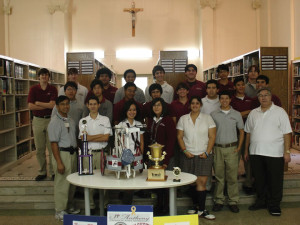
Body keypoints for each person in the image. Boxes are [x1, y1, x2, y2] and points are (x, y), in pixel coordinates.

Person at [244, 87, 292, 216]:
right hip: (256, 152)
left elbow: (287, 133)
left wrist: (287, 151)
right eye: (260, 95)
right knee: (259, 179)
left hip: (274, 153)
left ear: (271, 97)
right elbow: (248, 133)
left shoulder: (280, 112)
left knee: (275, 180)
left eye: (266, 95)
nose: (263, 97)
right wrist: (246, 150)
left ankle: (274, 204)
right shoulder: (253, 113)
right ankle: (261, 201)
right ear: (258, 98)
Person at [177, 96, 216, 220]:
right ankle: (195, 206)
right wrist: (185, 150)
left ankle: (202, 209)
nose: (195, 105)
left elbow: (212, 136)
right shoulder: (183, 119)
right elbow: (179, 137)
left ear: (200, 105)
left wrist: (207, 152)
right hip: (188, 154)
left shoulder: (207, 118)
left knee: (202, 182)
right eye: (192, 103)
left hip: (203, 154)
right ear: (189, 105)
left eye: (197, 103)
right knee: (192, 182)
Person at [211, 91, 244, 213]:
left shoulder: (236, 114)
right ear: (219, 100)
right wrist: (211, 147)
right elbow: (210, 133)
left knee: (232, 177)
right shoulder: (213, 114)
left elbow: (241, 131)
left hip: (232, 149)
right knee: (219, 176)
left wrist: (239, 147)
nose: (224, 100)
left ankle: (233, 201)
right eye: (222, 98)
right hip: (217, 148)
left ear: (230, 100)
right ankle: (218, 200)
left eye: (227, 98)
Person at [48, 96, 80, 221]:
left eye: (67, 104)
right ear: (57, 106)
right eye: (62, 104)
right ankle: (59, 210)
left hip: (72, 154)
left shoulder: (70, 120)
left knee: (71, 183)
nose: (65, 106)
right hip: (62, 155)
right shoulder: (54, 121)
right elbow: (53, 143)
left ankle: (69, 207)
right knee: (61, 183)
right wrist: (59, 162)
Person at [79, 96, 112, 210]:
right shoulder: (83, 121)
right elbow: (83, 138)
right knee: (89, 180)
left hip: (102, 153)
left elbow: (106, 138)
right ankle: (91, 205)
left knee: (105, 180)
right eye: (90, 104)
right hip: (88, 154)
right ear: (87, 106)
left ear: (99, 105)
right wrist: (99, 136)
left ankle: (105, 205)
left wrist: (90, 137)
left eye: (95, 104)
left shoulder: (105, 119)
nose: (93, 106)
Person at [145, 97, 176, 215]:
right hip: (153, 158)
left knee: (166, 183)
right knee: (156, 183)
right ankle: (159, 205)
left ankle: (166, 207)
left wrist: (166, 160)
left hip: (165, 158)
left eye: (159, 105)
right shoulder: (151, 120)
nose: (156, 107)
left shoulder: (168, 120)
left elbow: (171, 140)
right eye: (154, 105)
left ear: (163, 107)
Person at [28, 68, 57, 181]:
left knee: (52, 148)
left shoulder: (53, 89)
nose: (44, 77)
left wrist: (38, 103)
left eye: (46, 75)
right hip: (38, 120)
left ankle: (53, 172)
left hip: (50, 120)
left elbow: (53, 106)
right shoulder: (33, 89)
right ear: (38, 77)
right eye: (42, 75)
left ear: (48, 77)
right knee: (40, 148)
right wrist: (47, 105)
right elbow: (30, 106)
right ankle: (42, 171)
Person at [118, 100, 144, 204]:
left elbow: (142, 141)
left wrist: (141, 154)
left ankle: (129, 202)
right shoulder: (122, 124)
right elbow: (119, 141)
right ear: (125, 111)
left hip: (136, 154)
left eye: (134, 110)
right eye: (129, 110)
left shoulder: (139, 124)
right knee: (127, 180)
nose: (132, 112)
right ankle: (126, 204)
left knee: (135, 180)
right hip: (125, 155)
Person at [230, 77, 254, 194]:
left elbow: (253, 115)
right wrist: (246, 113)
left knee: (247, 157)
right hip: (234, 132)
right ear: (234, 87)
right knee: (234, 158)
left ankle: (248, 182)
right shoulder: (231, 100)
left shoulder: (251, 100)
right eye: (238, 85)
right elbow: (233, 116)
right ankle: (233, 182)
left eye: (242, 85)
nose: (241, 87)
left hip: (248, 132)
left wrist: (240, 115)